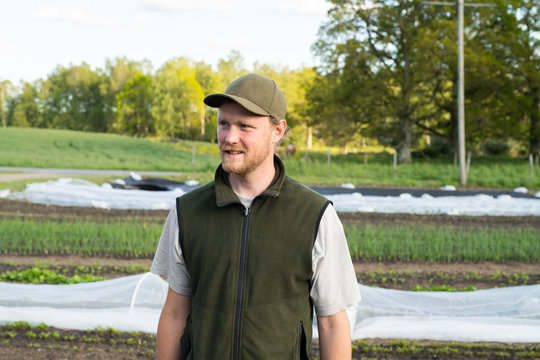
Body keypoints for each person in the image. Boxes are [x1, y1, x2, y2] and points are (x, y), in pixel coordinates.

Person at [151, 73, 360, 360]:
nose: (229, 137)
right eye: (223, 124)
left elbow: (333, 323)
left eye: (244, 126)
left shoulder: (315, 216)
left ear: (278, 131)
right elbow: (175, 314)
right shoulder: (187, 212)